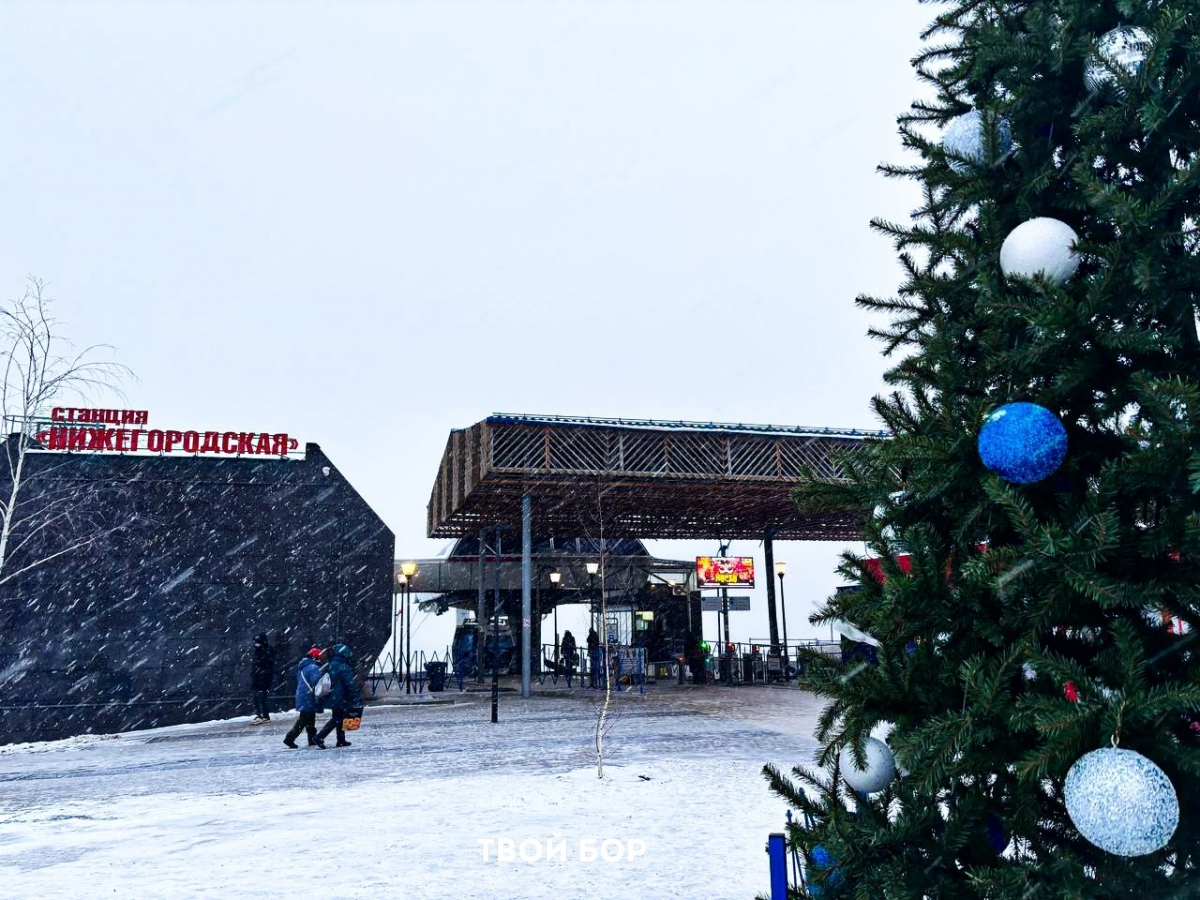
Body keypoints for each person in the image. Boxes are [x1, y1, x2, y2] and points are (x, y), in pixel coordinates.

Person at [315, 643, 358, 748]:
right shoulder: (343, 666)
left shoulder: (331, 664)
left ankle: (341, 740)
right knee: (338, 718)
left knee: (338, 717)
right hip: (341, 696)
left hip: (333, 695)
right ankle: (319, 737)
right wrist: (355, 697)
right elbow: (349, 684)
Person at [284, 648, 327, 749]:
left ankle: (311, 738)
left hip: (303, 695)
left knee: (309, 718)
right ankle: (289, 739)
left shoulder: (304, 666)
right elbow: (316, 682)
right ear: (316, 657)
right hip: (309, 697)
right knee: (303, 720)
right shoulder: (313, 667)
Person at [250, 632, 275, 723]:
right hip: (259, 675)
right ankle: (261, 714)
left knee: (261, 695)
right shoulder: (260, 650)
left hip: (263, 676)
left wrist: (258, 663)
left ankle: (263, 715)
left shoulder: (265, 650)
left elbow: (265, 661)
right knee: (258, 695)